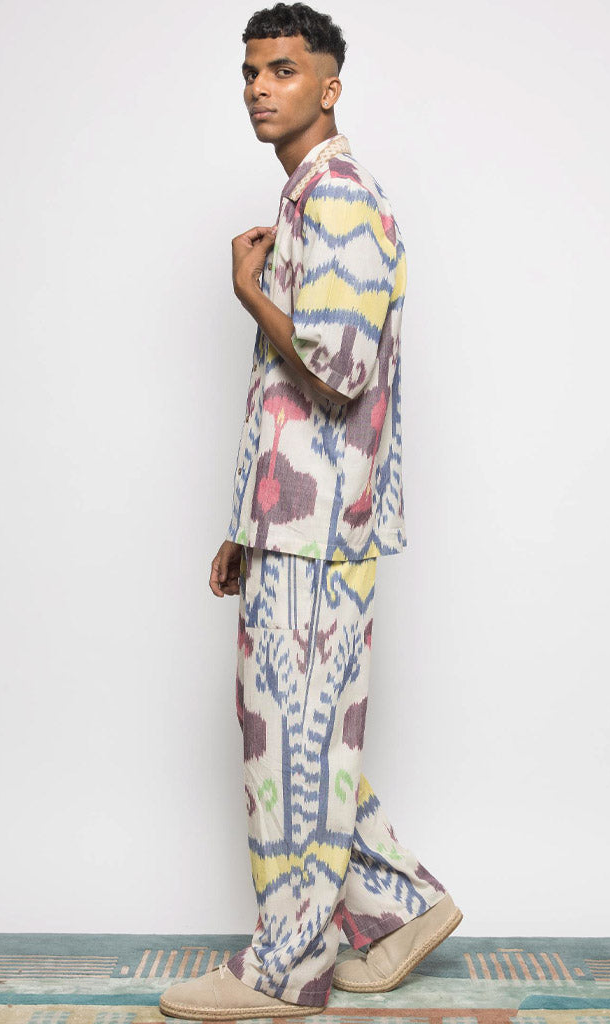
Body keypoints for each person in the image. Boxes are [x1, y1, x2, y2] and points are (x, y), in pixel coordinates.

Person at [160, 3, 462, 1019]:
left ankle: (288, 969)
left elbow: (337, 370)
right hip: (294, 524)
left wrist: (249, 291)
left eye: (283, 70)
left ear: (329, 87)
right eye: (250, 71)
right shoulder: (308, 197)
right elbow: (292, 401)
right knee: (298, 739)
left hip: (321, 533)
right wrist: (245, 523)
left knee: (289, 754)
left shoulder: (336, 197)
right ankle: (402, 908)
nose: (259, 87)